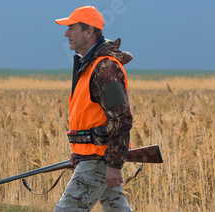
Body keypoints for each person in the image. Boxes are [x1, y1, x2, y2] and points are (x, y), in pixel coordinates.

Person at [53, 6, 133, 212]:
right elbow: (91, 117)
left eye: (72, 28)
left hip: (100, 158)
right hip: (94, 156)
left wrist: (114, 165)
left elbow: (121, 117)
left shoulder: (105, 68)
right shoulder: (89, 65)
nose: (66, 33)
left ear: (89, 31)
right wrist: (79, 151)